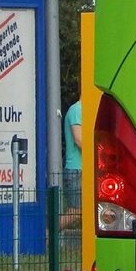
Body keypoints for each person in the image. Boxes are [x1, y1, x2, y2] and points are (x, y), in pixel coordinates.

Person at [61, 99, 83, 232]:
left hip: (82, 168)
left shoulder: (82, 110)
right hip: (76, 169)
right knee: (75, 211)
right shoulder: (77, 110)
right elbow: (79, 139)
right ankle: (49, 235)